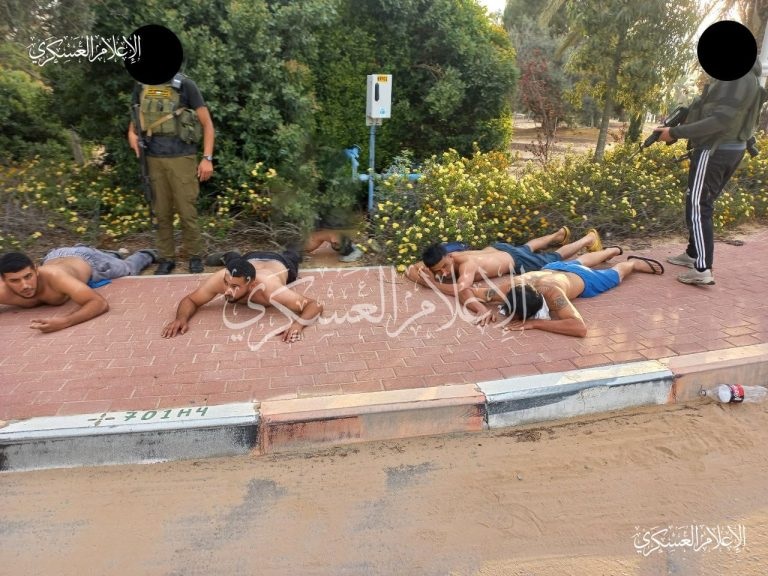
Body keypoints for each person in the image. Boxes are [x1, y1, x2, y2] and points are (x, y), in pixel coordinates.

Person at [657, 59, 763, 285]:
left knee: (699, 206)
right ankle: (693, 253)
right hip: (731, 148)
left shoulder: (737, 79)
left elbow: (719, 121)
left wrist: (675, 132)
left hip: (714, 150)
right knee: (698, 201)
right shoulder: (749, 77)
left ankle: (702, 268)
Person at [405, 227, 603, 323]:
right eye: (438, 271)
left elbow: (462, 289)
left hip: (513, 262)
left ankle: (588, 238)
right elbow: (410, 269)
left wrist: (431, 284)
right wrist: (425, 275)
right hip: (498, 250)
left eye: (445, 267)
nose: (444, 273)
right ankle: (557, 235)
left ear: (449, 256)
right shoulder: (440, 257)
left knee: (555, 257)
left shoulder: (466, 264)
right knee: (527, 247)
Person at [127, 71, 215, 275]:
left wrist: (207, 158)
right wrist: (131, 135)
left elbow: (207, 124)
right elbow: (135, 121)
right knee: (161, 212)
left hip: (182, 157)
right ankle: (167, 258)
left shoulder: (185, 84)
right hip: (153, 158)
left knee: (187, 211)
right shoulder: (141, 85)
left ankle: (195, 256)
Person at [473, 249, 664, 338]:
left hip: (585, 280)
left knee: (617, 273)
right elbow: (466, 291)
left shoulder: (553, 295)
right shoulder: (510, 287)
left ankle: (632, 263)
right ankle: (611, 250)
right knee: (580, 260)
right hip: (553, 269)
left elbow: (580, 328)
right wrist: (481, 309)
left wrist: (535, 323)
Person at [162, 249, 322, 342]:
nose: (226, 291)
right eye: (226, 283)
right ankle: (228, 255)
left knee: (292, 256)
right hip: (248, 259)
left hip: (279, 263)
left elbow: (315, 305)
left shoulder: (270, 289)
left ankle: (295, 251)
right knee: (235, 260)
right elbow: (191, 299)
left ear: (252, 285)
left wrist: (297, 325)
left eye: (235, 287)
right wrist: (180, 318)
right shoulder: (224, 277)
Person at [0, 246, 156, 333]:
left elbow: (98, 303)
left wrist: (65, 321)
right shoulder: (2, 290)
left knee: (128, 269)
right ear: (3, 280)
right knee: (111, 257)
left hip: (86, 260)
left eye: (28, 276)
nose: (25, 285)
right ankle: (110, 254)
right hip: (55, 257)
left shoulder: (56, 277)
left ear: (36, 270)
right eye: (15, 281)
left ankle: (146, 253)